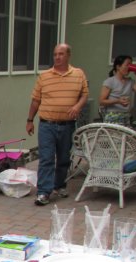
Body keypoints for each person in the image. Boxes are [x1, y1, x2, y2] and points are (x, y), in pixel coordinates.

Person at [26, 43, 89, 206]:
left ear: (68, 55)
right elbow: (36, 100)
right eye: (55, 54)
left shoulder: (78, 74)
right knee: (46, 158)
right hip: (47, 124)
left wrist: (77, 106)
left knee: (63, 158)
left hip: (67, 125)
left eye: (61, 54)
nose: (57, 57)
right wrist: (30, 120)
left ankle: (59, 185)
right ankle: (43, 192)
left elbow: (84, 94)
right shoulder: (44, 76)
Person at [99, 55, 136, 126]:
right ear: (118, 67)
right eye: (127, 65)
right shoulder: (109, 81)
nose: (129, 67)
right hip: (112, 116)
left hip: (126, 116)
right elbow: (102, 101)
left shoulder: (130, 81)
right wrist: (118, 101)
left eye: (130, 65)